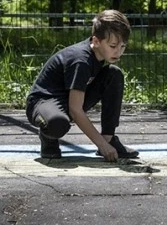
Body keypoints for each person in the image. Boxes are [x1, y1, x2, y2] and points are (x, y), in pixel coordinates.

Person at [26, 9, 139, 162]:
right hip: (43, 102)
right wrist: (100, 145)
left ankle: (109, 138)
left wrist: (104, 143)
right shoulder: (81, 61)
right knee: (57, 123)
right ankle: (48, 137)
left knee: (113, 74)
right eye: (113, 46)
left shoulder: (99, 54)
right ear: (96, 41)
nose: (118, 52)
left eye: (123, 46)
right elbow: (75, 109)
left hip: (67, 99)